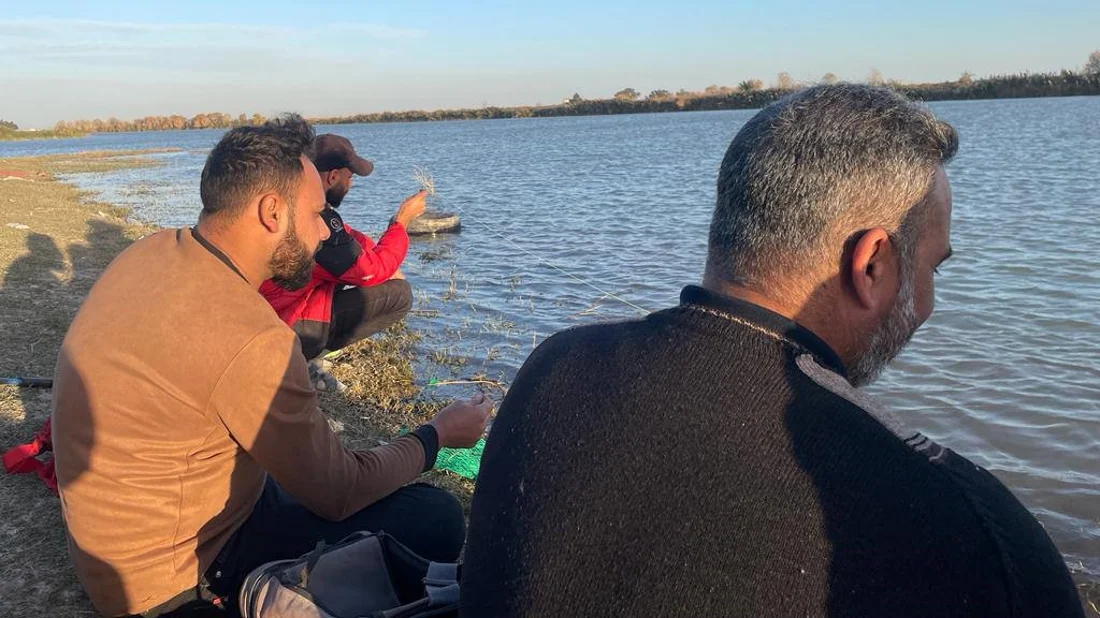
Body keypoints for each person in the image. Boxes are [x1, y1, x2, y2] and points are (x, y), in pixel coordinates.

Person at [461, 85, 1084, 617]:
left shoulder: (556, 368)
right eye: (933, 271)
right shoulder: (967, 532)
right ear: (871, 264)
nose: (929, 305)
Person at [51, 115, 492, 618]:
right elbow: (339, 493)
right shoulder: (252, 336)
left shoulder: (150, 251)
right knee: (436, 517)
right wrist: (435, 436)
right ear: (271, 212)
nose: (321, 231)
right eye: (315, 214)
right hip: (176, 580)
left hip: (114, 545)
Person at [260, 133, 424, 391]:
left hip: (268, 314)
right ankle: (300, 358)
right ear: (333, 176)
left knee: (350, 273)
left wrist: (385, 254)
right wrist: (401, 223)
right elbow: (368, 272)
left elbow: (348, 238)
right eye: (350, 177)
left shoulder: (295, 204)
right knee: (400, 295)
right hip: (281, 326)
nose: (352, 184)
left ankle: (301, 356)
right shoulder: (314, 224)